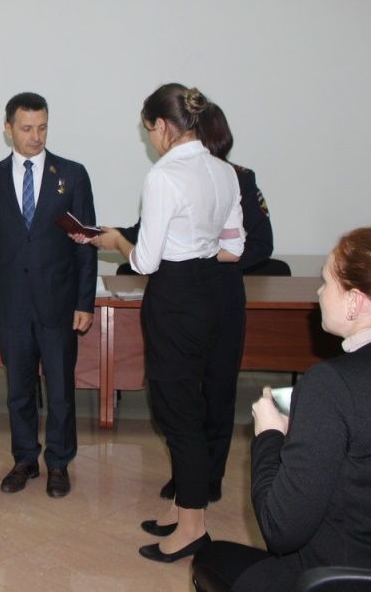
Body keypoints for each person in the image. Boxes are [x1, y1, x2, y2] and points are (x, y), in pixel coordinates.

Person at [76, 84, 244, 562]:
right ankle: (181, 506)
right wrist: (196, 249)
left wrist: (116, 242)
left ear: (165, 126)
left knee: (178, 411)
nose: (149, 138)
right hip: (213, 292)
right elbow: (235, 248)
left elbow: (146, 261)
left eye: (149, 129)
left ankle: (192, 527)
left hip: (175, 297)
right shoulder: (225, 171)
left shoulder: (164, 176)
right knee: (193, 403)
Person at [192, 227, 371, 591]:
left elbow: (280, 530)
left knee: (211, 558)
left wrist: (269, 435)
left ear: (355, 301)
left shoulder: (332, 384)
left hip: (337, 578)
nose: (319, 292)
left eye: (326, 282)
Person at [118, 104, 274, 503]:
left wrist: (202, 257)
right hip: (191, 294)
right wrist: (111, 235)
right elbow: (151, 230)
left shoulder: (235, 176)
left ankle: (209, 478)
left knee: (217, 392)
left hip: (220, 295)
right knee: (179, 397)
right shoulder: (186, 176)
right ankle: (189, 477)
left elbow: (258, 244)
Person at [0, 92, 97, 498]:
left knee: (60, 391)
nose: (35, 136)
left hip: (59, 303)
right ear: (8, 129)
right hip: (11, 305)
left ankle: (58, 462)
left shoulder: (72, 175)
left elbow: (85, 244)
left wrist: (85, 302)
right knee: (18, 391)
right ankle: (25, 458)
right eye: (26, 128)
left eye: (42, 127)